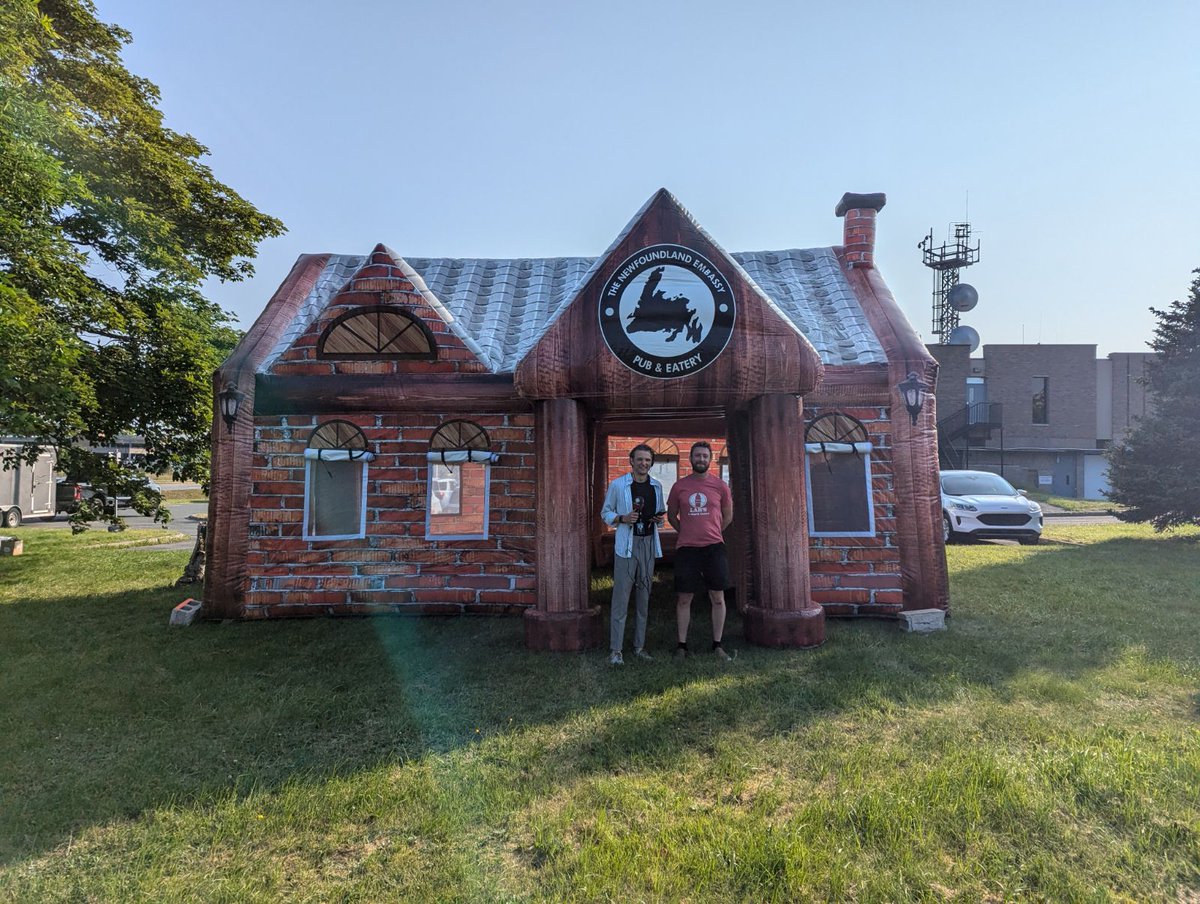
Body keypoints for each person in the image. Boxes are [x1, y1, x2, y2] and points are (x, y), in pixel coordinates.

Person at [667, 441, 733, 661]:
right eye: (697, 456)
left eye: (705, 456)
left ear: (710, 459)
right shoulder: (679, 486)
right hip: (687, 549)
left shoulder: (720, 486)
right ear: (691, 459)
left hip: (714, 548)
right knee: (684, 598)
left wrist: (712, 532)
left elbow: (728, 516)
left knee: (718, 597)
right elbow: (671, 515)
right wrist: (686, 531)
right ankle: (682, 646)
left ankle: (717, 645)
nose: (701, 459)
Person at [600, 443, 665, 665]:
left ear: (651, 463)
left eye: (647, 460)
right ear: (631, 461)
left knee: (644, 597)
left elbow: (660, 516)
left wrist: (658, 519)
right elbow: (605, 512)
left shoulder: (656, 486)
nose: (643, 463)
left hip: (648, 544)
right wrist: (622, 518)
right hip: (626, 546)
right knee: (621, 597)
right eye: (640, 459)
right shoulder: (618, 485)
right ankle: (616, 650)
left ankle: (639, 646)